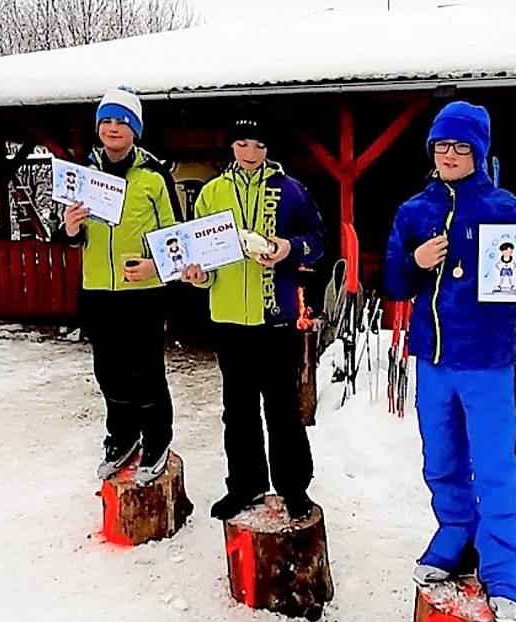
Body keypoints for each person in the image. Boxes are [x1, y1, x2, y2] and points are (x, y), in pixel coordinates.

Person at [384, 101, 516, 622]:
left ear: (480, 152)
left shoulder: (505, 208)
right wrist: (414, 262)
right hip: (433, 360)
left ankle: (505, 566)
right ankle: (455, 534)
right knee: (440, 460)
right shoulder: (414, 210)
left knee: (494, 466)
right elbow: (395, 283)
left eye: (462, 147)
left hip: (486, 361)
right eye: (442, 146)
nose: (451, 155)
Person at [181, 103, 325, 521]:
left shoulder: (291, 190)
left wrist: (288, 248)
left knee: (282, 409)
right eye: (242, 142)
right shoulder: (211, 194)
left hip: (275, 317)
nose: (249, 151)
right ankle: (244, 485)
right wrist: (197, 276)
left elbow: (317, 238)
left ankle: (294, 488)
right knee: (238, 410)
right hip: (228, 319)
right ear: (231, 145)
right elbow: (200, 257)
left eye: (258, 143)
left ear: (268, 146)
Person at [63, 85, 182, 485]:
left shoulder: (153, 176)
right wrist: (71, 227)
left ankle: (156, 439)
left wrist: (153, 266)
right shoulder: (83, 175)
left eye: (122, 121)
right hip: (97, 290)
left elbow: (176, 237)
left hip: (143, 293)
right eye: (107, 121)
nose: (113, 128)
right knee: (109, 371)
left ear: (136, 130)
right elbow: (70, 237)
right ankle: (122, 436)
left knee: (146, 370)